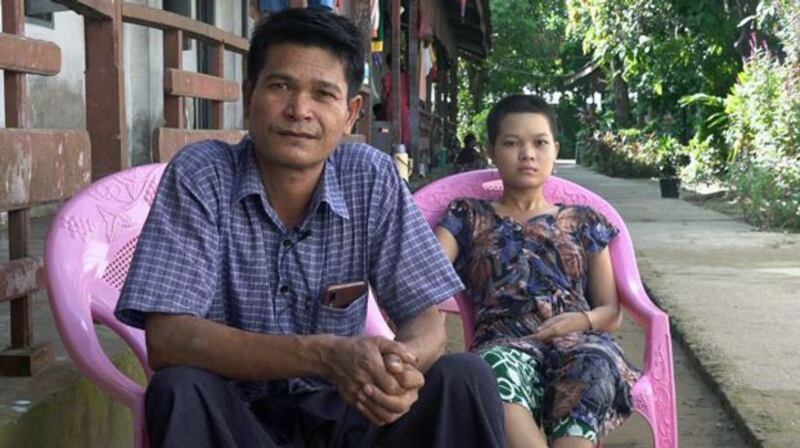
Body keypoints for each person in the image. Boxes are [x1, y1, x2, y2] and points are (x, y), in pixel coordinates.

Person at [115, 8, 505, 448]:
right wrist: (324, 355)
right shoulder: (202, 174)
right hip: (237, 418)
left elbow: (427, 320)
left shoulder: (370, 176)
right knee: (178, 388)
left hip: (348, 415)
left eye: (323, 94)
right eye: (281, 86)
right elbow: (168, 339)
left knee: (465, 377)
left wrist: (397, 369)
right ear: (249, 95)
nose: (299, 110)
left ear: (352, 112)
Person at [435, 95, 639, 448]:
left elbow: (611, 312)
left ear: (555, 150)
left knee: (593, 365)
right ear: (492, 150)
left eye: (539, 143)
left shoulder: (584, 220)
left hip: (580, 341)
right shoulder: (468, 215)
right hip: (503, 344)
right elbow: (429, 271)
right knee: (492, 371)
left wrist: (577, 322)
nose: (527, 154)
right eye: (512, 143)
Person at [380, 53, 410, 146]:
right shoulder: (407, 76)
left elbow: (383, 97)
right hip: (406, 110)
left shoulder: (388, 77)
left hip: (392, 109)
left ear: (389, 64)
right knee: (405, 136)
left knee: (391, 135)